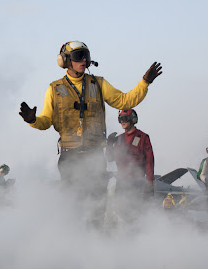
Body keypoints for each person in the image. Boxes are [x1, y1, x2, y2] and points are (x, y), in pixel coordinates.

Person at [19, 41, 162, 225]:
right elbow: (46, 121)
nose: (84, 60)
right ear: (65, 61)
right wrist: (33, 120)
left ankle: (95, 247)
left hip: (94, 156)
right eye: (79, 56)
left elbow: (125, 101)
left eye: (86, 55)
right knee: (72, 208)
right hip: (70, 157)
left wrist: (145, 83)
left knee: (96, 207)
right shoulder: (54, 89)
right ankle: (72, 245)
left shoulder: (98, 84)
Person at [106, 109, 155, 202]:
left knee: (135, 212)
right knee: (119, 210)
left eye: (124, 118)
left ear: (132, 119)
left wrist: (149, 181)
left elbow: (149, 160)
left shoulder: (143, 138)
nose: (122, 122)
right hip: (121, 182)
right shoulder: (119, 139)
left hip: (137, 182)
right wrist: (109, 145)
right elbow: (110, 158)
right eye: (120, 119)